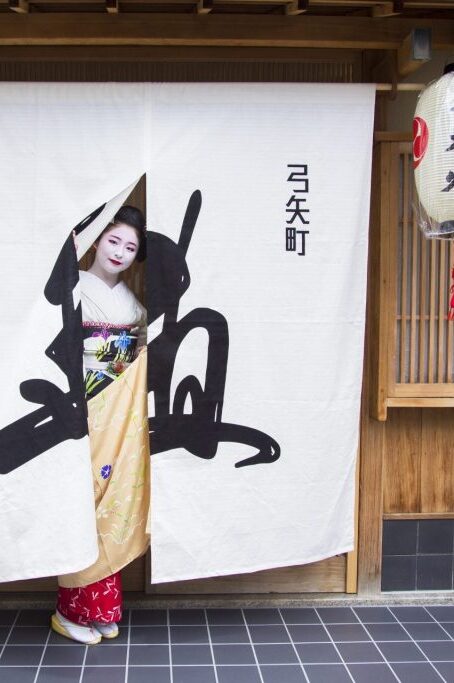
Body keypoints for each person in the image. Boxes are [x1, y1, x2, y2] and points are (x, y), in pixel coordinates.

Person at [51, 206, 150, 645]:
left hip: (119, 415)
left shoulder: (134, 305)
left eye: (130, 247)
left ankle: (101, 609)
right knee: (82, 501)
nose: (120, 252)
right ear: (96, 240)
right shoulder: (71, 288)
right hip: (81, 408)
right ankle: (69, 611)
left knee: (113, 501)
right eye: (113, 240)